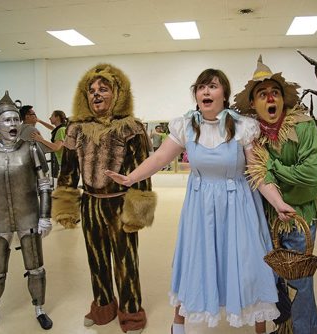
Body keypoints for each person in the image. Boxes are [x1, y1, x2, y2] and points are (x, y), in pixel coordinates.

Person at [106, 68, 295, 334]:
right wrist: (130, 178)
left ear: (224, 94)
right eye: (201, 87)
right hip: (200, 208)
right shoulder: (186, 126)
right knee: (194, 260)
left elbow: (258, 173)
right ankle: (178, 325)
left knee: (246, 263)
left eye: (213, 86)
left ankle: (259, 327)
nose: (206, 91)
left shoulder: (242, 127)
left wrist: (277, 202)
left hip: (238, 206)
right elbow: (160, 158)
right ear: (196, 95)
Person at [51, 64, 155, 334]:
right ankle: (103, 306)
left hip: (120, 203)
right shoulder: (76, 128)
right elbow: (68, 169)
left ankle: (131, 313)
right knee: (96, 258)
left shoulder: (132, 128)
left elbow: (141, 171)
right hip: (90, 203)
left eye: (103, 89)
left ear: (117, 93)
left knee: (125, 261)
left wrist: (137, 213)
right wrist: (66, 205)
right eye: (92, 90)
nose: (96, 95)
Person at [234, 55, 317, 334]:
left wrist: (272, 167)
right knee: (272, 282)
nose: (269, 98)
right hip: (266, 222)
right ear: (253, 103)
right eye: (262, 94)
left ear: (283, 99)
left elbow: (312, 177)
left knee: (300, 282)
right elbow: (253, 178)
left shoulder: (304, 126)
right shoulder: (251, 136)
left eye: (274, 92)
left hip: (300, 219)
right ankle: (283, 328)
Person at [0, 91, 53, 333]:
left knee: (35, 267)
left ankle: (39, 308)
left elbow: (44, 185)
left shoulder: (31, 149)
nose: (13, 124)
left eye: (15, 119)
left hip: (28, 216)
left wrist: (45, 217)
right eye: (7, 120)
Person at [31, 109, 68, 178]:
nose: (49, 118)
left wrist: (41, 139)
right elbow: (51, 128)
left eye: (52, 116)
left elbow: (56, 147)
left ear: (57, 117)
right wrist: (39, 121)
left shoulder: (61, 130)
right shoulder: (61, 128)